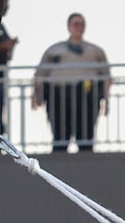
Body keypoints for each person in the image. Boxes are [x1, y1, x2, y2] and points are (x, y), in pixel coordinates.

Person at [34, 14, 109, 152]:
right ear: (69, 26)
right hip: (60, 95)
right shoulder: (55, 51)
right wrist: (36, 97)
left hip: (86, 96)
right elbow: (40, 75)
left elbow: (106, 76)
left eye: (81, 24)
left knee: (86, 135)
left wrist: (106, 99)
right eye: (75, 24)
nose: (78, 27)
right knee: (60, 135)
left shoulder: (95, 51)